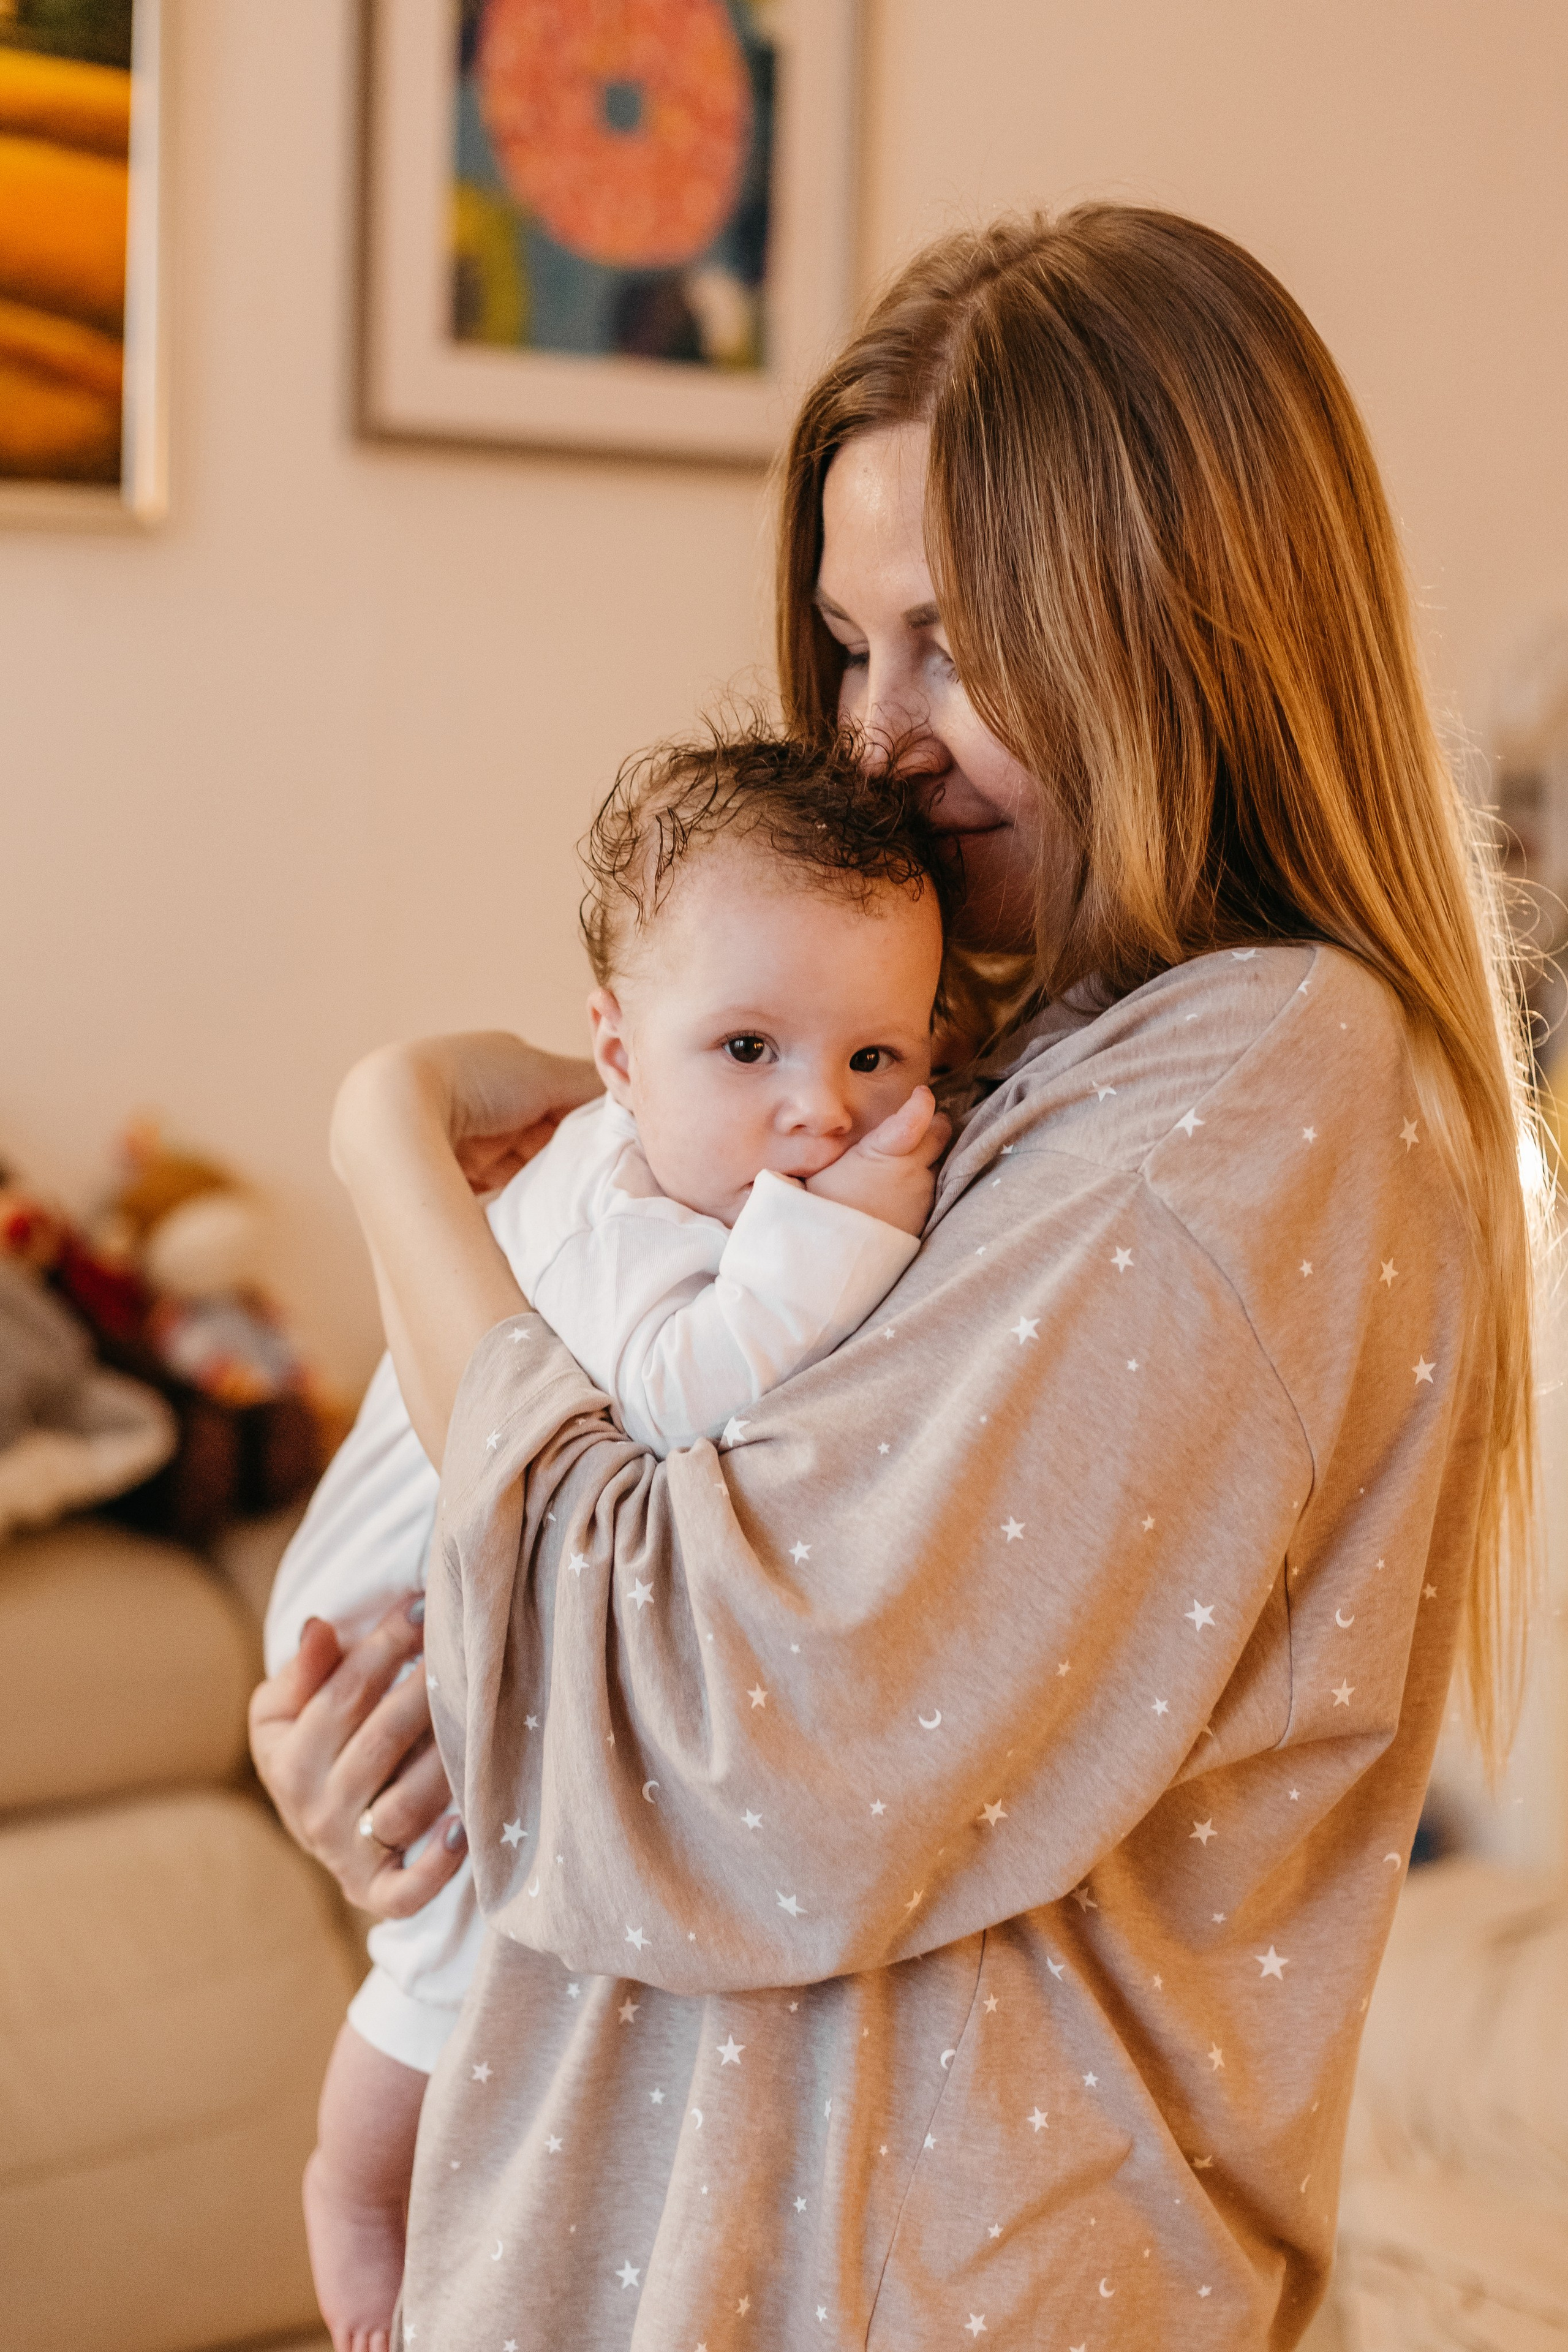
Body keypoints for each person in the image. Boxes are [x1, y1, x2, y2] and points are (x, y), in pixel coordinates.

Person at [252, 205, 1540, 2350]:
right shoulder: (988, 1073)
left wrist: (393, 1148)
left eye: (954, 641)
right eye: (853, 648)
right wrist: (383, 1748)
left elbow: (703, 1730)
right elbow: (602, 1662)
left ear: (1185, 631)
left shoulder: (1249, 1093)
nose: (877, 733)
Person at [279, 731, 956, 2349]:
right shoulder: (630, 1225)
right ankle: (358, 2221)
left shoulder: (668, 1159)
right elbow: (665, 1399)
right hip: (387, 1615)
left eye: (878, 1058)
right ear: (615, 1051)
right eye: (748, 1048)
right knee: (454, 1956)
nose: (816, 1112)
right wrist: (856, 1229)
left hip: (430, 1589)